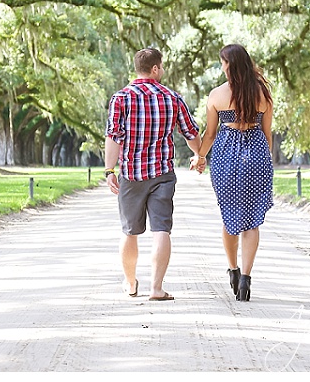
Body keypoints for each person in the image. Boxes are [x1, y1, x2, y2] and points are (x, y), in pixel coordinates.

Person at [105, 48, 202, 301]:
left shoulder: (121, 98)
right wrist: (199, 155)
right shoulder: (172, 97)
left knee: (129, 231)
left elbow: (113, 137)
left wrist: (109, 170)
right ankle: (156, 288)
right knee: (161, 230)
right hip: (162, 173)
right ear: (155, 68)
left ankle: (130, 282)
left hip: (132, 174)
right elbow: (191, 134)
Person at [190, 44, 274, 301]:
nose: (222, 67)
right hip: (257, 156)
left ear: (229, 65)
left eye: (223, 63)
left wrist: (200, 156)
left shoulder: (217, 95)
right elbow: (267, 135)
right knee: (252, 220)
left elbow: (211, 134)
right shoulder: (262, 93)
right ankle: (246, 278)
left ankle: (234, 270)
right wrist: (264, 163)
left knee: (230, 217)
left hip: (227, 158)